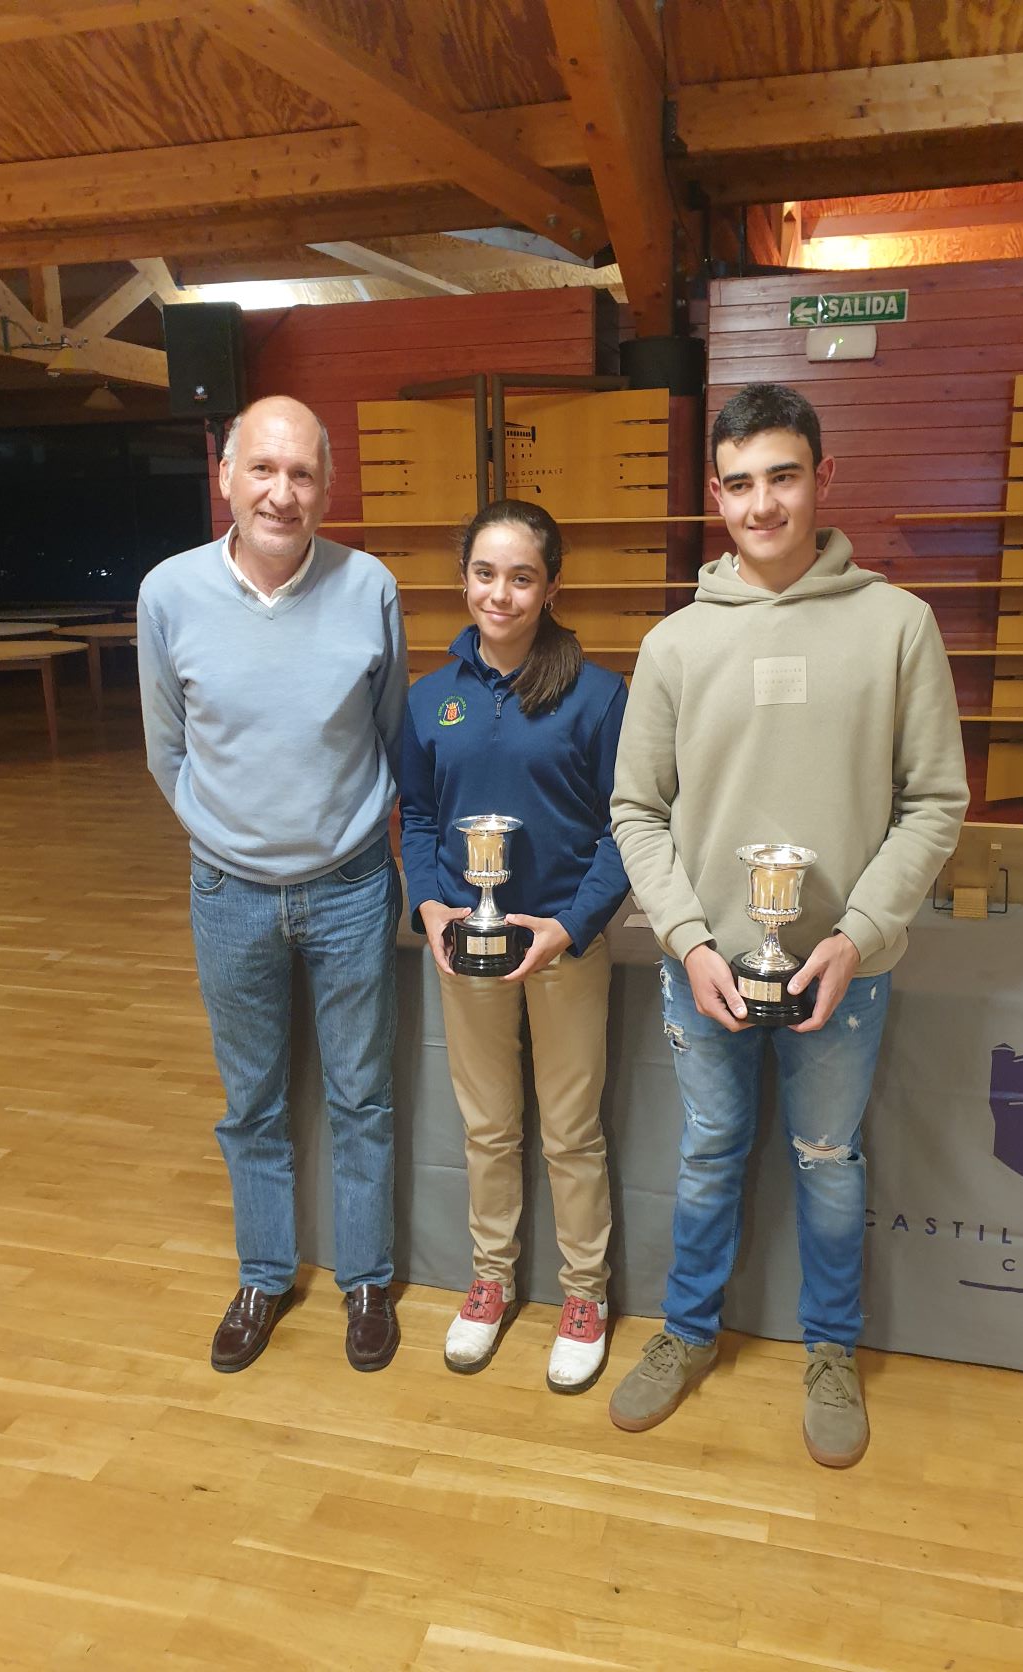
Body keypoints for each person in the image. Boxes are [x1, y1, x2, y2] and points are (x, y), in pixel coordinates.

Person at [607, 383, 968, 1464]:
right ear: (715, 494)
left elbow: (935, 801)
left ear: (823, 480)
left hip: (843, 974)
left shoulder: (899, 626)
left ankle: (830, 1349)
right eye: (740, 482)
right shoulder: (674, 644)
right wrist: (689, 938)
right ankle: (685, 1332)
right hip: (707, 968)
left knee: (827, 1156)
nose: (762, 503)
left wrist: (857, 933)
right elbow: (636, 808)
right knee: (711, 1152)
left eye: (783, 475)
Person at [137, 395, 408, 1376]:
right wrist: (223, 839)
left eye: (302, 474)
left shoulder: (369, 586)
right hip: (231, 894)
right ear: (225, 476)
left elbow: (390, 731)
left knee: (362, 1093)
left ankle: (367, 1277)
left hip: (349, 885)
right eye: (263, 469)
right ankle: (263, 1270)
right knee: (249, 1099)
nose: (282, 493)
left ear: (327, 487)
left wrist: (368, 847)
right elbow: (166, 749)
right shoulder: (167, 594)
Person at [399, 499, 629, 1393]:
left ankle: (584, 1297)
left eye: (522, 576)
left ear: (551, 587)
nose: (501, 593)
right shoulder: (429, 700)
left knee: (571, 1132)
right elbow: (416, 817)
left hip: (566, 946)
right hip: (466, 945)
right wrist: (431, 910)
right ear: (463, 580)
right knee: (488, 1128)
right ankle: (490, 1282)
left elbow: (626, 829)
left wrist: (572, 925)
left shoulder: (600, 696)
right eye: (485, 574)